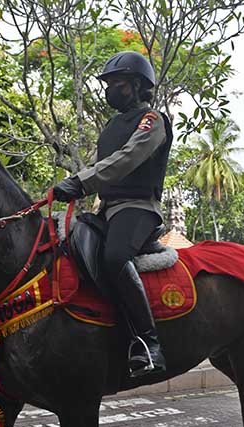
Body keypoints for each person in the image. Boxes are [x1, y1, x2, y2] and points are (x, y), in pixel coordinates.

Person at [52, 51, 173, 377]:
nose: (109, 91)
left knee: (114, 256)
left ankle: (149, 344)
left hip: (138, 210)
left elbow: (127, 159)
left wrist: (80, 182)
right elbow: (100, 164)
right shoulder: (110, 126)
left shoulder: (153, 120)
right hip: (107, 211)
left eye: (116, 84)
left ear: (136, 86)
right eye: (108, 84)